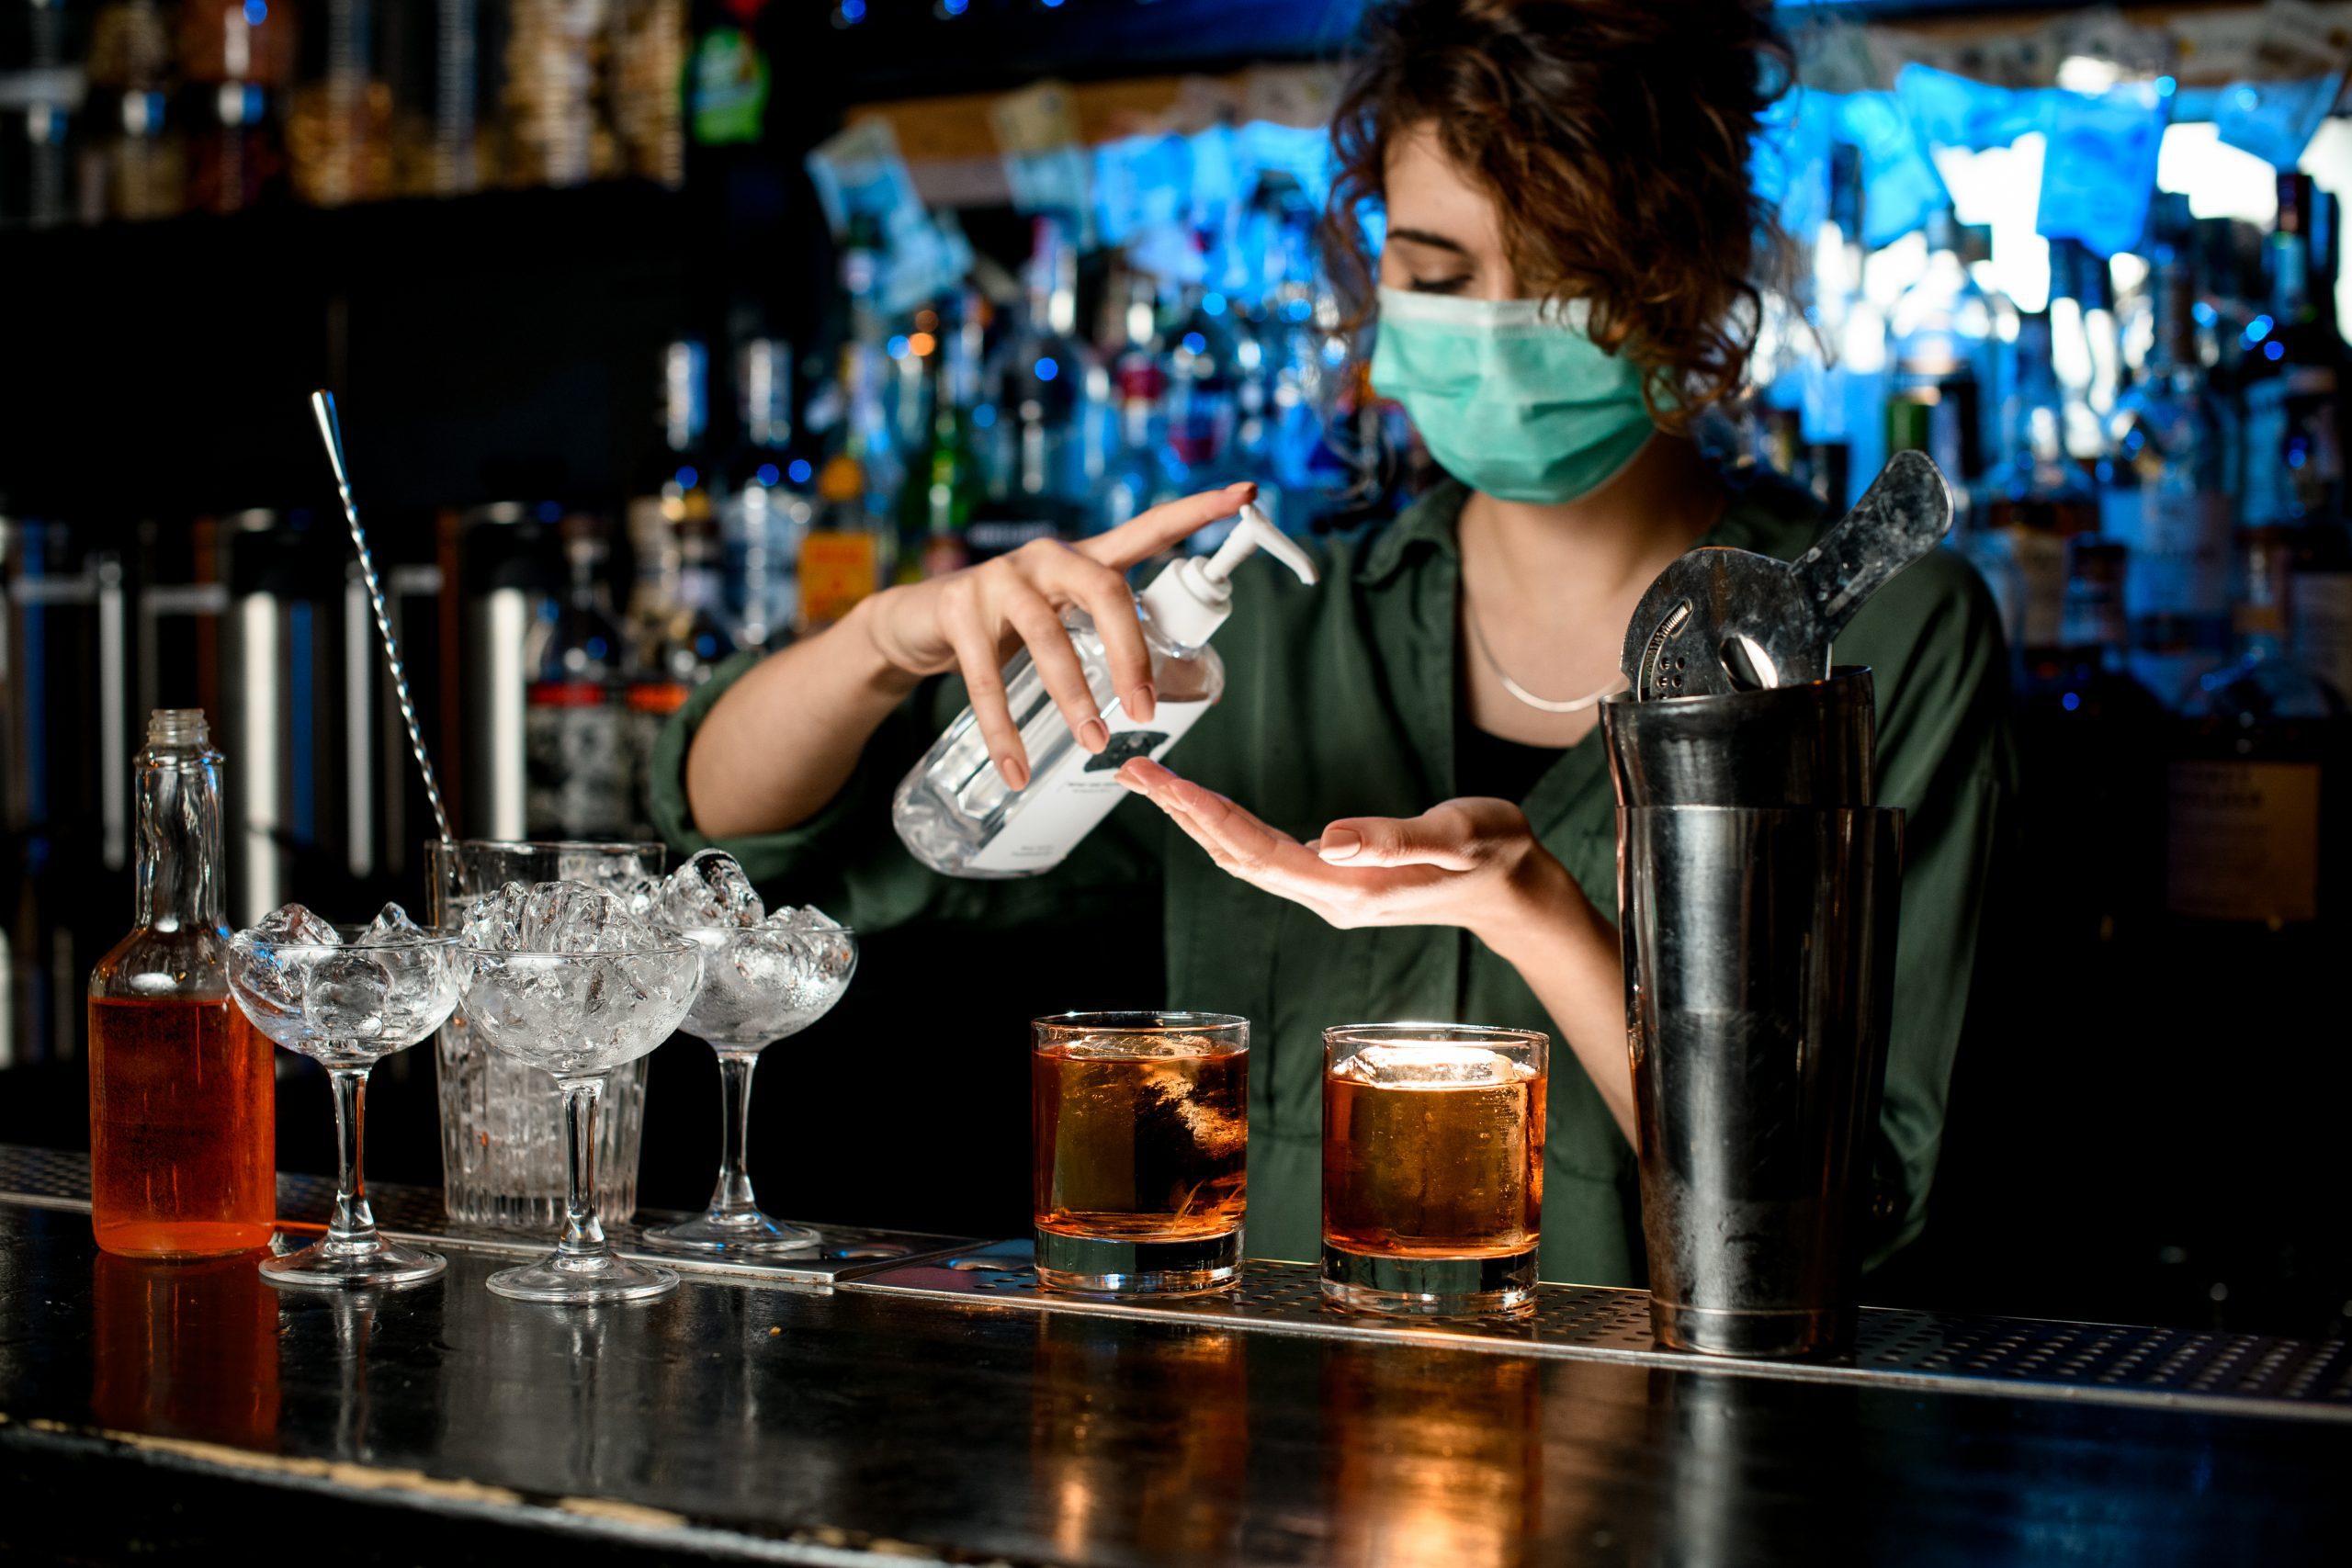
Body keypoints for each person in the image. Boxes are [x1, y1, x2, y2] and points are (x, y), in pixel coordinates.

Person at [652, 0, 2014, 1284]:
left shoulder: (1873, 636)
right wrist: (887, 642)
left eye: (1560, 274)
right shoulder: (1268, 643)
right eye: (1439, 271)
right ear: (1378, 279)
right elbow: (776, 852)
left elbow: (1858, 1222)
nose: (1488, 325)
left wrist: (1540, 914)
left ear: (1687, 272)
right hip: (1293, 1471)